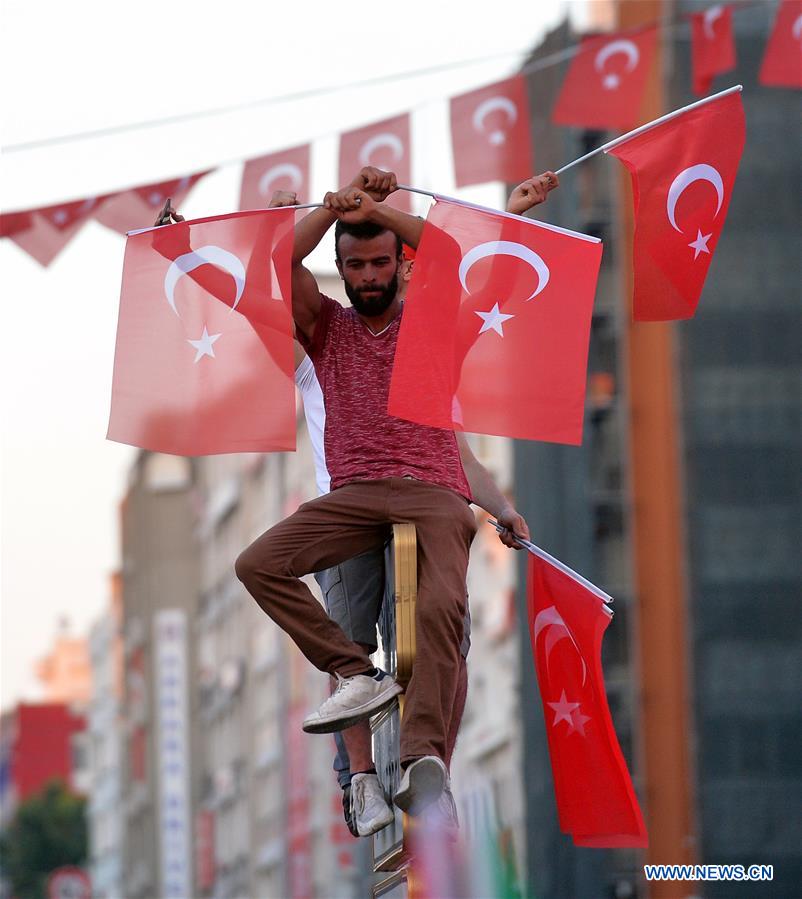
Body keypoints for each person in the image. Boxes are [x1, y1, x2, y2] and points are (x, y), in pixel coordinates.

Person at [235, 166, 557, 822]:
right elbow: (274, 265)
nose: (370, 278)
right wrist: (334, 206)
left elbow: (453, 254)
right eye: (356, 267)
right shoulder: (323, 328)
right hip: (351, 494)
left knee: (442, 608)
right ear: (342, 271)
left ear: (402, 264)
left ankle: (421, 756)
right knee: (257, 564)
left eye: (382, 263)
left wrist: (501, 508)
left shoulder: (435, 325)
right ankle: (358, 683)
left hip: (431, 489)